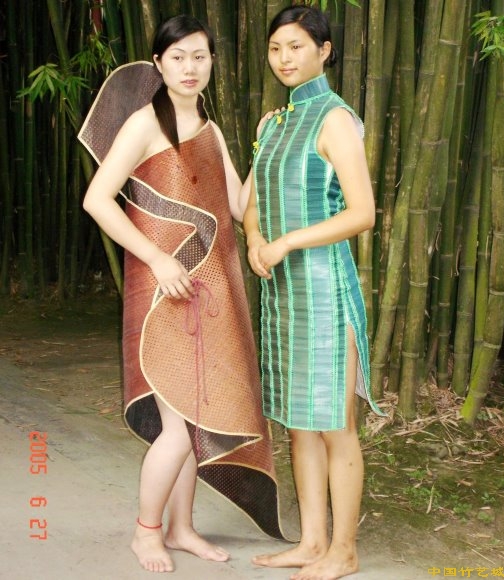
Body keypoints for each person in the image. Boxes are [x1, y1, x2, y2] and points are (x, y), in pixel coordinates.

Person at [79, 14, 284, 575]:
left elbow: (238, 208)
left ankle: (181, 528)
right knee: (176, 428)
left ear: (212, 61)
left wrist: (265, 148)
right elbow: (98, 200)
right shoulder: (144, 123)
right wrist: (157, 257)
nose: (190, 67)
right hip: (165, 292)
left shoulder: (210, 131)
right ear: (159, 64)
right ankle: (146, 533)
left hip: (209, 288)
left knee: (194, 420)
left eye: (199, 56)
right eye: (177, 57)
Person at [244, 5, 386, 580]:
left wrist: (286, 242)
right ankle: (311, 542)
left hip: (325, 289)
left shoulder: (336, 119)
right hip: (282, 291)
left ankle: (344, 551)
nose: (284, 58)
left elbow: (362, 213)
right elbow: (252, 201)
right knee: (299, 422)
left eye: (296, 46)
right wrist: (256, 239)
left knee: (334, 422)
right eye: (276, 48)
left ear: (324, 51)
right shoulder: (272, 124)